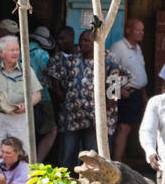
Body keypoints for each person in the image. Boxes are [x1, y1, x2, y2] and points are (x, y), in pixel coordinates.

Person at [43, 29, 120, 169]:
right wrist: (62, 97)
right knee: (68, 153)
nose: (82, 43)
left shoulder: (107, 62)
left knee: (90, 156)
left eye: (87, 41)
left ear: (95, 43)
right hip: (72, 118)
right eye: (81, 40)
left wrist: (103, 112)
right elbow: (54, 76)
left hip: (95, 119)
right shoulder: (72, 61)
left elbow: (114, 92)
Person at [0, 36, 41, 156]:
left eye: (17, 49)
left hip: (20, 118)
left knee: (22, 153)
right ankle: (0, 175)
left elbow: (37, 94)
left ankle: (20, 175)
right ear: (1, 53)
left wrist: (27, 105)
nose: (16, 53)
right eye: (12, 50)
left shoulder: (27, 70)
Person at [110, 18, 148, 162]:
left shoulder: (138, 48)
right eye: (138, 29)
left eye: (143, 30)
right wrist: (117, 93)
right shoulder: (118, 47)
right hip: (126, 95)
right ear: (128, 30)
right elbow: (111, 70)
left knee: (131, 128)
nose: (141, 33)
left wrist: (144, 96)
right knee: (123, 129)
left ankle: (123, 161)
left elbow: (140, 73)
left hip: (138, 94)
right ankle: (117, 165)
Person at [29, 26, 58, 165]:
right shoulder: (43, 55)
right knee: (51, 131)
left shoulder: (19, 51)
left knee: (28, 133)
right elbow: (50, 78)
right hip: (42, 98)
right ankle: (37, 164)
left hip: (20, 97)